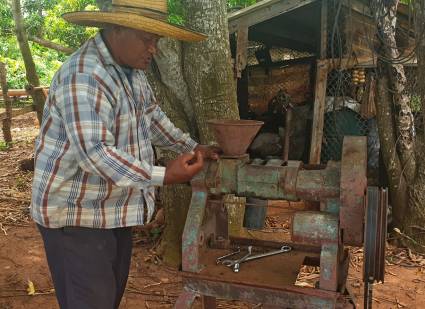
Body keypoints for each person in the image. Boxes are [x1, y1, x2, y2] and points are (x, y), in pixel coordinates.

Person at [30, 1, 220, 308]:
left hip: (110, 208)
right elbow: (95, 153)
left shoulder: (131, 70)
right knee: (92, 301)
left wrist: (190, 146)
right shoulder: (85, 75)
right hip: (75, 215)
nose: (153, 49)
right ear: (116, 28)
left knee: (107, 297)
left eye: (157, 40)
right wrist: (163, 175)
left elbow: (152, 116)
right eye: (147, 39)